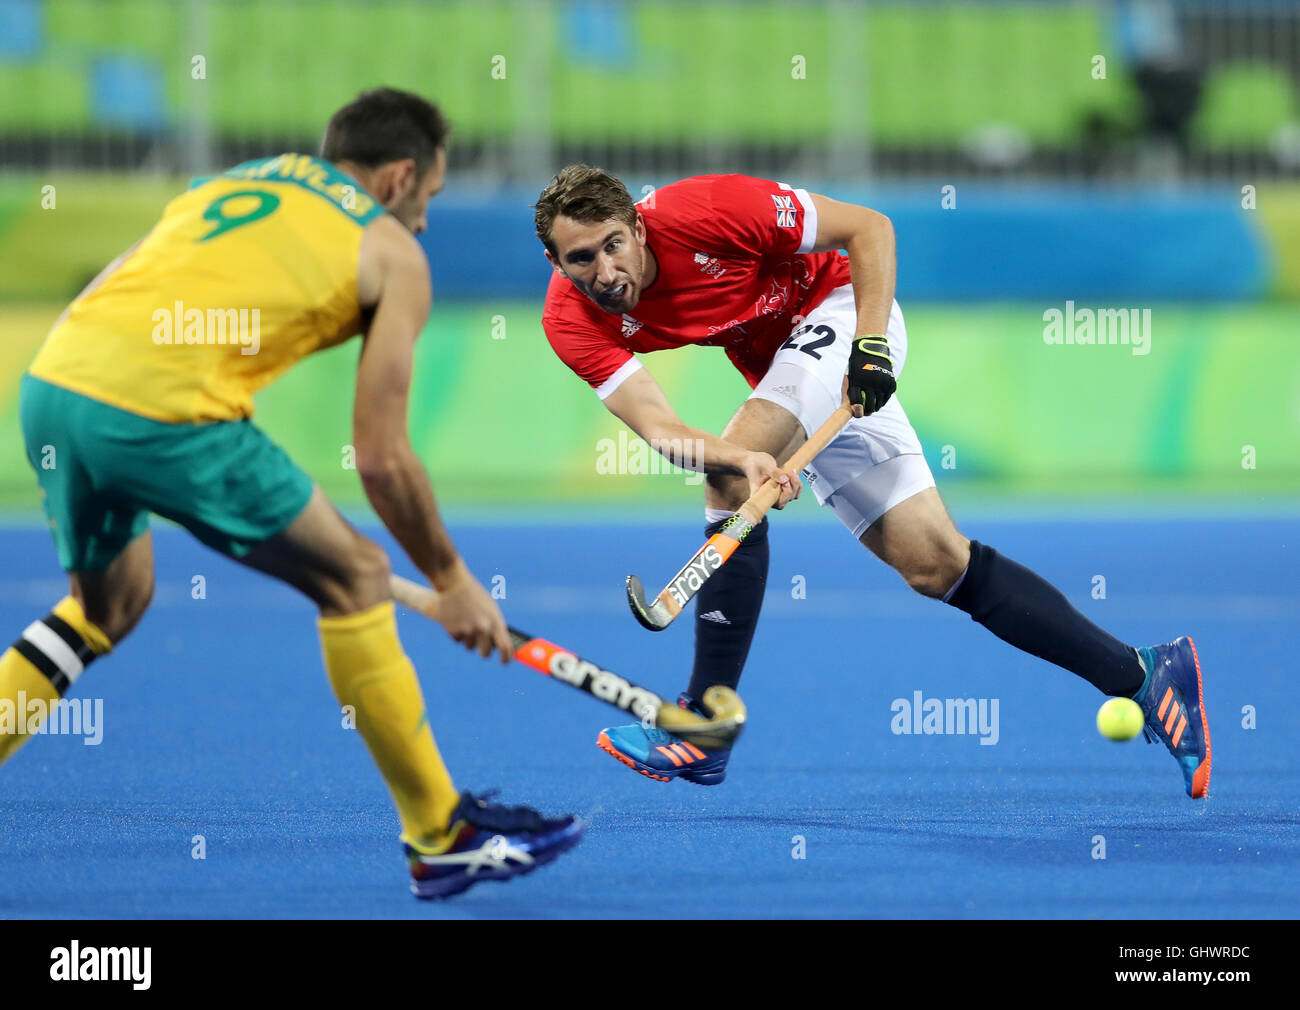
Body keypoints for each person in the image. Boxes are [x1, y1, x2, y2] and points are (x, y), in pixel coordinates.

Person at [0, 88, 582, 901]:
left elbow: (120, 277)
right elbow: (380, 459)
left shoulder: (241, 181)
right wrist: (451, 580)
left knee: (104, 606)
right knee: (356, 577)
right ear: (399, 178)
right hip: (163, 412)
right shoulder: (391, 250)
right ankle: (440, 834)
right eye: (430, 201)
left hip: (55, 382)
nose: (423, 224)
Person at [534, 165, 1210, 798]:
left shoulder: (709, 210)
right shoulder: (569, 320)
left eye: (612, 245)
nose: (604, 270)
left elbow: (869, 227)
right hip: (779, 363)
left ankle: (704, 720)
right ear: (555, 264)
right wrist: (746, 461)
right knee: (934, 563)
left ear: (639, 228)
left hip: (843, 313)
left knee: (728, 474)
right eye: (581, 259)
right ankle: (1146, 676)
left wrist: (872, 345)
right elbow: (660, 430)